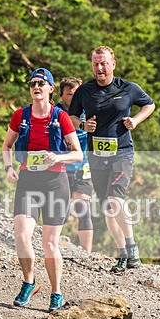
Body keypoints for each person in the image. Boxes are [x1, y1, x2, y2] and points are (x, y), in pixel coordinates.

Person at [1, 68, 83, 312]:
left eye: (41, 83)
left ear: (51, 89)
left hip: (55, 183)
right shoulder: (20, 115)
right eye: (32, 84)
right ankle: (29, 282)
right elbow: (6, 146)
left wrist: (58, 157)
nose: (36, 87)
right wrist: (8, 167)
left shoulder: (61, 117)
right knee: (21, 235)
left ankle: (56, 292)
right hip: (28, 182)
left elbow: (77, 154)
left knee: (50, 243)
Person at [68, 46, 155, 273]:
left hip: (121, 152)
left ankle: (132, 246)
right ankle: (123, 254)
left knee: (115, 199)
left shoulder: (128, 88)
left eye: (104, 63)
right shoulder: (84, 91)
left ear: (113, 64)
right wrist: (82, 125)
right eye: (95, 64)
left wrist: (136, 120)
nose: (100, 68)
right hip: (96, 155)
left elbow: (149, 104)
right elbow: (71, 116)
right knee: (108, 207)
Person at [56, 77, 93, 253]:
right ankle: (54, 247)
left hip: (82, 167)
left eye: (77, 93)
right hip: (61, 167)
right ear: (61, 95)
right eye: (70, 94)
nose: (74, 97)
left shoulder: (88, 111)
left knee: (83, 209)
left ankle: (87, 253)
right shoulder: (55, 112)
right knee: (60, 212)